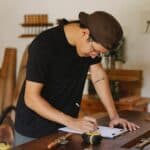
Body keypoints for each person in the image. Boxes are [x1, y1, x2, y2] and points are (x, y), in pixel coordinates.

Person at [14, 11, 139, 145]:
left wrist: (114, 116)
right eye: (93, 50)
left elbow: (98, 75)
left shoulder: (92, 41)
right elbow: (31, 99)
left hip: (66, 128)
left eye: (98, 53)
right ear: (85, 33)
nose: (94, 56)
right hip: (33, 131)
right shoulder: (44, 46)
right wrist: (72, 122)